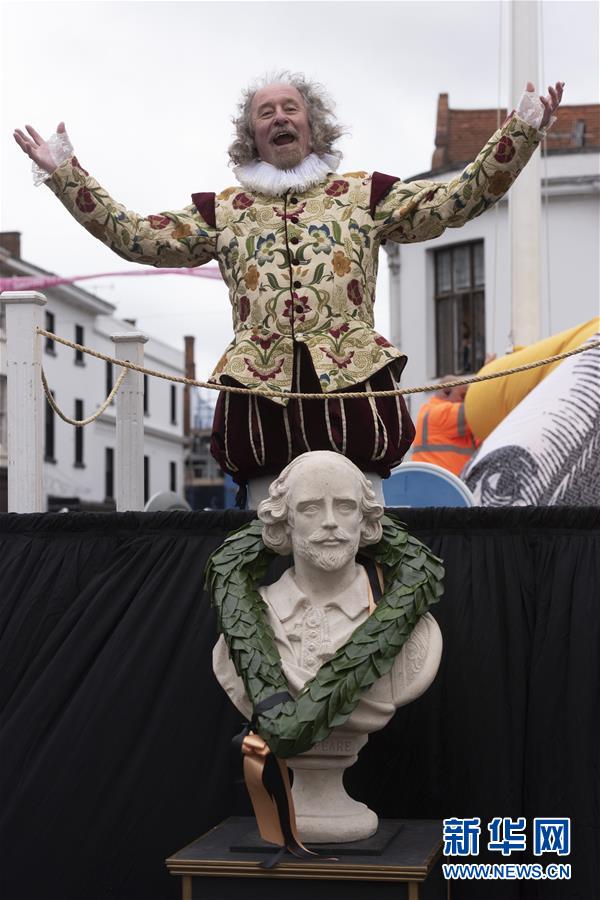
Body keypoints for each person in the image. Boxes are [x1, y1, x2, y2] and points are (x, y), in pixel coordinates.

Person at [14, 75, 564, 505]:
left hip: (352, 399)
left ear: (311, 125)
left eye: (290, 108)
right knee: (267, 526)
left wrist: (519, 134)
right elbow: (137, 238)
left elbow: (455, 201)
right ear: (252, 134)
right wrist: (66, 174)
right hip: (261, 406)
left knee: (359, 521)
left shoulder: (364, 194)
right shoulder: (224, 210)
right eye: (266, 112)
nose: (279, 117)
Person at [212, 451, 442, 842]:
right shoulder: (239, 635)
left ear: (365, 521)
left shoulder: (416, 633)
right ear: (285, 522)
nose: (331, 521)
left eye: (346, 506)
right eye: (310, 508)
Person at [411, 379, 478, 476]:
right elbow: (478, 410)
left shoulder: (429, 411)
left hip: (439, 480)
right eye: (463, 396)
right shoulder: (441, 413)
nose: (465, 401)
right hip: (445, 481)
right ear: (446, 392)